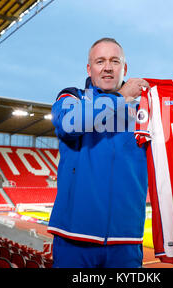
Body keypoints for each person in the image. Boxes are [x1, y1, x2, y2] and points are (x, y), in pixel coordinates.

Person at [47, 37, 150, 268]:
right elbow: (69, 125)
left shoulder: (145, 109)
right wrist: (121, 97)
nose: (107, 67)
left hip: (126, 241)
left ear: (125, 68)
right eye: (100, 61)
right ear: (89, 68)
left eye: (115, 61)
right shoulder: (72, 97)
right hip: (74, 240)